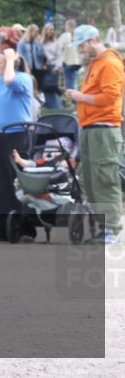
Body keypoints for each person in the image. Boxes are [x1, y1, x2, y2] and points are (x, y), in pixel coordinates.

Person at [67, 25, 124, 244]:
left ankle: (113, 230)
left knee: (105, 180)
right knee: (92, 180)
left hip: (104, 129)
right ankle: (105, 229)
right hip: (92, 128)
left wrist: (81, 97)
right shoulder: (97, 63)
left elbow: (110, 98)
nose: (80, 50)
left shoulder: (109, 63)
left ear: (92, 40)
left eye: (81, 45)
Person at [0, 48, 36, 242]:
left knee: (17, 180)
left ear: (10, 64)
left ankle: (25, 229)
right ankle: (2, 229)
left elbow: (9, 81)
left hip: (16, 134)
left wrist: (9, 59)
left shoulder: (22, 78)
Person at [17, 24, 47, 101]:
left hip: (37, 67)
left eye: (37, 32)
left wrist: (40, 45)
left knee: (38, 85)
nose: (37, 33)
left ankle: (38, 100)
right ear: (30, 32)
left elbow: (41, 55)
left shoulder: (37, 42)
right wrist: (25, 65)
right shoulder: (22, 43)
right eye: (35, 32)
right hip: (27, 68)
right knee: (29, 84)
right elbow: (20, 55)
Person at [40, 23, 64, 108]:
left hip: (53, 67)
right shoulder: (41, 42)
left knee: (51, 88)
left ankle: (57, 106)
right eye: (50, 29)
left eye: (53, 29)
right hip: (44, 68)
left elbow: (60, 55)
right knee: (45, 87)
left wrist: (58, 67)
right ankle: (49, 105)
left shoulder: (57, 42)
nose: (52, 31)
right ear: (45, 31)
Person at [57, 19, 82, 91]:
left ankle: (72, 98)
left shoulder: (65, 36)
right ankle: (76, 96)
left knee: (69, 82)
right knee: (74, 79)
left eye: (66, 25)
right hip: (78, 62)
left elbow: (59, 47)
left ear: (68, 26)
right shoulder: (78, 35)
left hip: (68, 62)